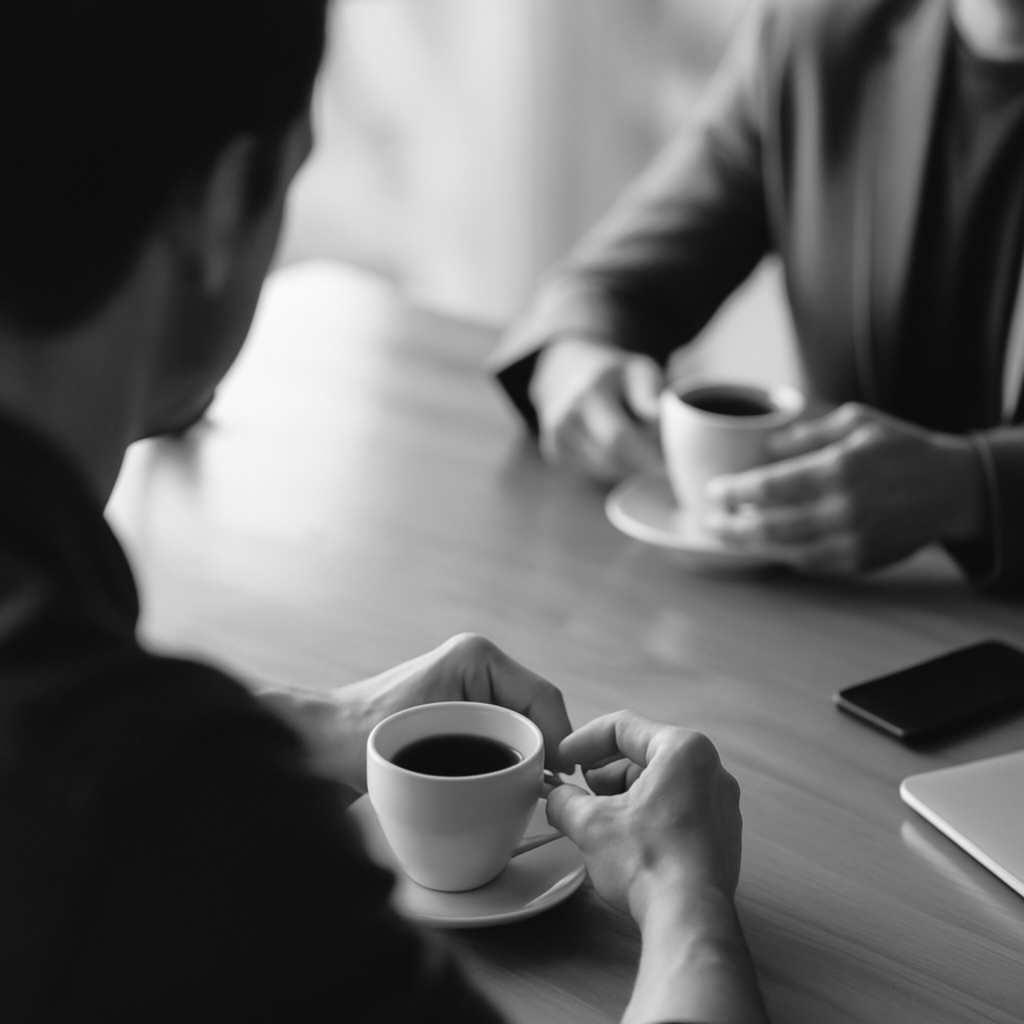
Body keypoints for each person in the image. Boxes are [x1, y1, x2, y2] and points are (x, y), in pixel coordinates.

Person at [0, 3, 768, 1022]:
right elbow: (123, 797)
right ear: (228, 203)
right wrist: (686, 900)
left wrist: (323, 726)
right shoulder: (168, 831)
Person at [492, 0, 1024, 588]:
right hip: (846, 624)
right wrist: (578, 357)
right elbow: (609, 285)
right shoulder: (815, 37)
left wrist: (973, 489)